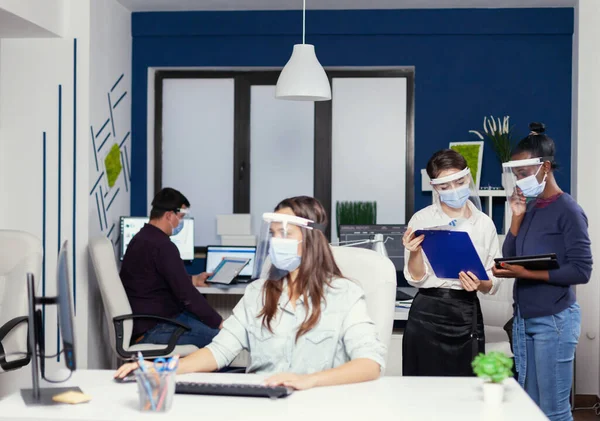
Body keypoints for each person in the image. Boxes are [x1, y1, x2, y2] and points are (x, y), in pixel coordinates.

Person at [116, 196, 386, 390]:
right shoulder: (258, 293)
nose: (276, 241)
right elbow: (218, 351)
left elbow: (370, 363)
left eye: (285, 233)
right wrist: (160, 368)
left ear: (311, 238)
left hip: (319, 406)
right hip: (262, 404)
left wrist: (308, 381)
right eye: (273, 233)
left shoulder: (344, 294)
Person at [493, 123, 592, 421]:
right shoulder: (531, 207)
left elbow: (581, 270)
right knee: (531, 408)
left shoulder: (569, 211)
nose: (520, 181)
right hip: (525, 319)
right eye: (517, 175)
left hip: (554, 321)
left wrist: (525, 274)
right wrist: (516, 217)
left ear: (545, 167)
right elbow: (510, 257)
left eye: (524, 174)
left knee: (554, 410)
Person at [402, 149, 502, 376]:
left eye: (459, 182)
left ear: (468, 177)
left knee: (466, 388)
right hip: (426, 313)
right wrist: (414, 252)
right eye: (445, 186)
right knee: (421, 387)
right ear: (434, 186)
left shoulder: (484, 224)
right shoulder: (422, 219)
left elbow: (493, 280)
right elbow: (416, 278)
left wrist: (480, 283)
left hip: (465, 312)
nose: (454, 190)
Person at [120, 187, 223, 349]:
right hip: (154, 328)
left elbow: (157, 279)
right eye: (180, 217)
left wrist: (193, 279)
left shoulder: (140, 239)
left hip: (145, 324)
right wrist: (219, 322)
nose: (180, 222)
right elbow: (187, 295)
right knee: (222, 339)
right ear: (169, 215)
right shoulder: (162, 245)